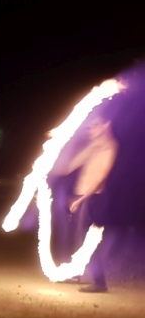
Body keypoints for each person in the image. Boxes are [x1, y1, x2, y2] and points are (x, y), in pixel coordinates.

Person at [59, 110, 119, 293]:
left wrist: (82, 199)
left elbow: (100, 178)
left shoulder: (109, 147)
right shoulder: (93, 147)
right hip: (83, 198)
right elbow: (69, 165)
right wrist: (59, 145)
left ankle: (100, 283)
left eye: (95, 126)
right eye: (89, 126)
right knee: (79, 237)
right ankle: (77, 272)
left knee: (90, 240)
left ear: (106, 125)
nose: (90, 130)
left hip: (95, 199)